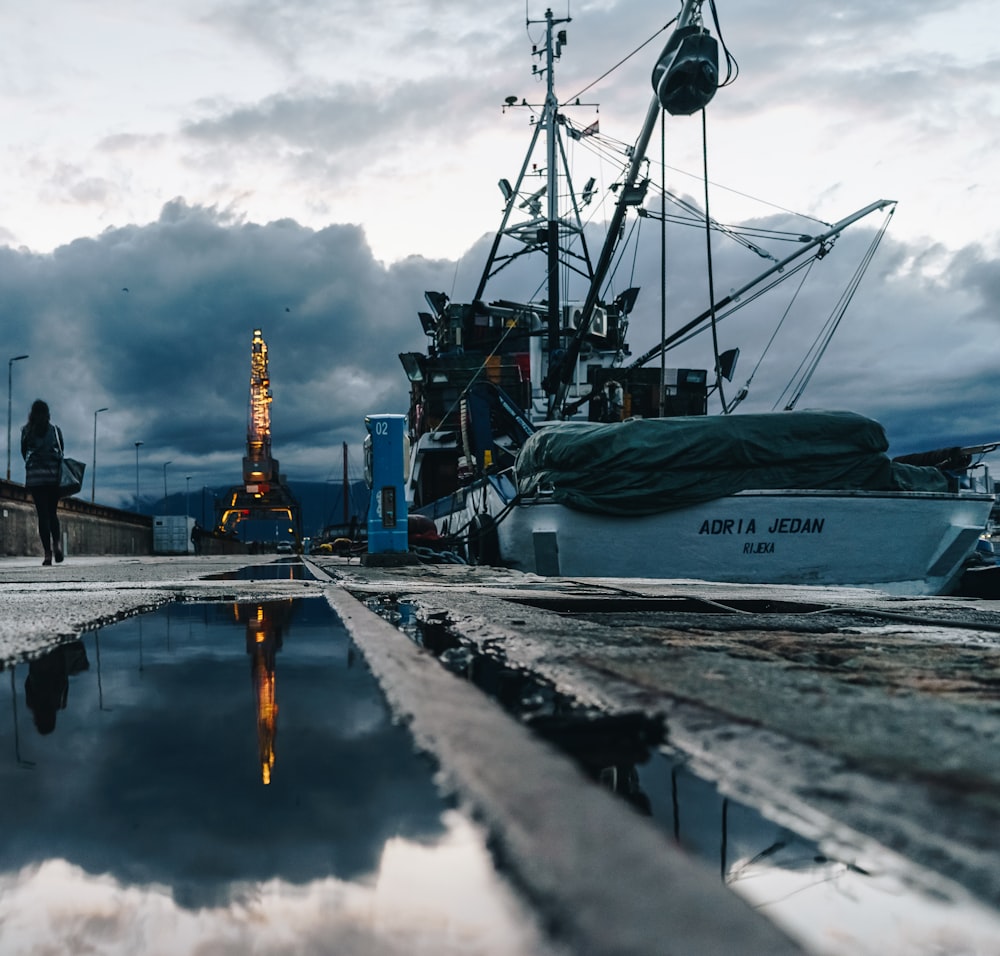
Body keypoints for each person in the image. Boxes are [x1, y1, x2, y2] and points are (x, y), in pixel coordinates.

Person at [20, 399, 65, 565]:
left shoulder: (27, 431)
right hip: (53, 477)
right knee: (53, 513)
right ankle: (57, 544)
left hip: (36, 479)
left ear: (32, 414)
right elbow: (62, 450)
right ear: (48, 414)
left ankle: (47, 554)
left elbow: (24, 452)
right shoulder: (55, 430)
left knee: (43, 516)